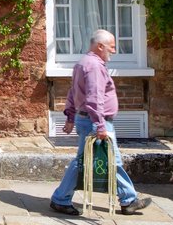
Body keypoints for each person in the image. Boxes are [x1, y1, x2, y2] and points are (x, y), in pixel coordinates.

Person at [50, 29, 152, 216]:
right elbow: (94, 98)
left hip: (87, 119)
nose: (113, 51)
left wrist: (71, 117)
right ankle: (128, 200)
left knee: (90, 161)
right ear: (100, 46)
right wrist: (100, 125)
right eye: (111, 47)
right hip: (94, 121)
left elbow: (73, 92)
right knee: (108, 161)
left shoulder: (83, 62)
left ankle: (62, 198)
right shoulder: (95, 66)